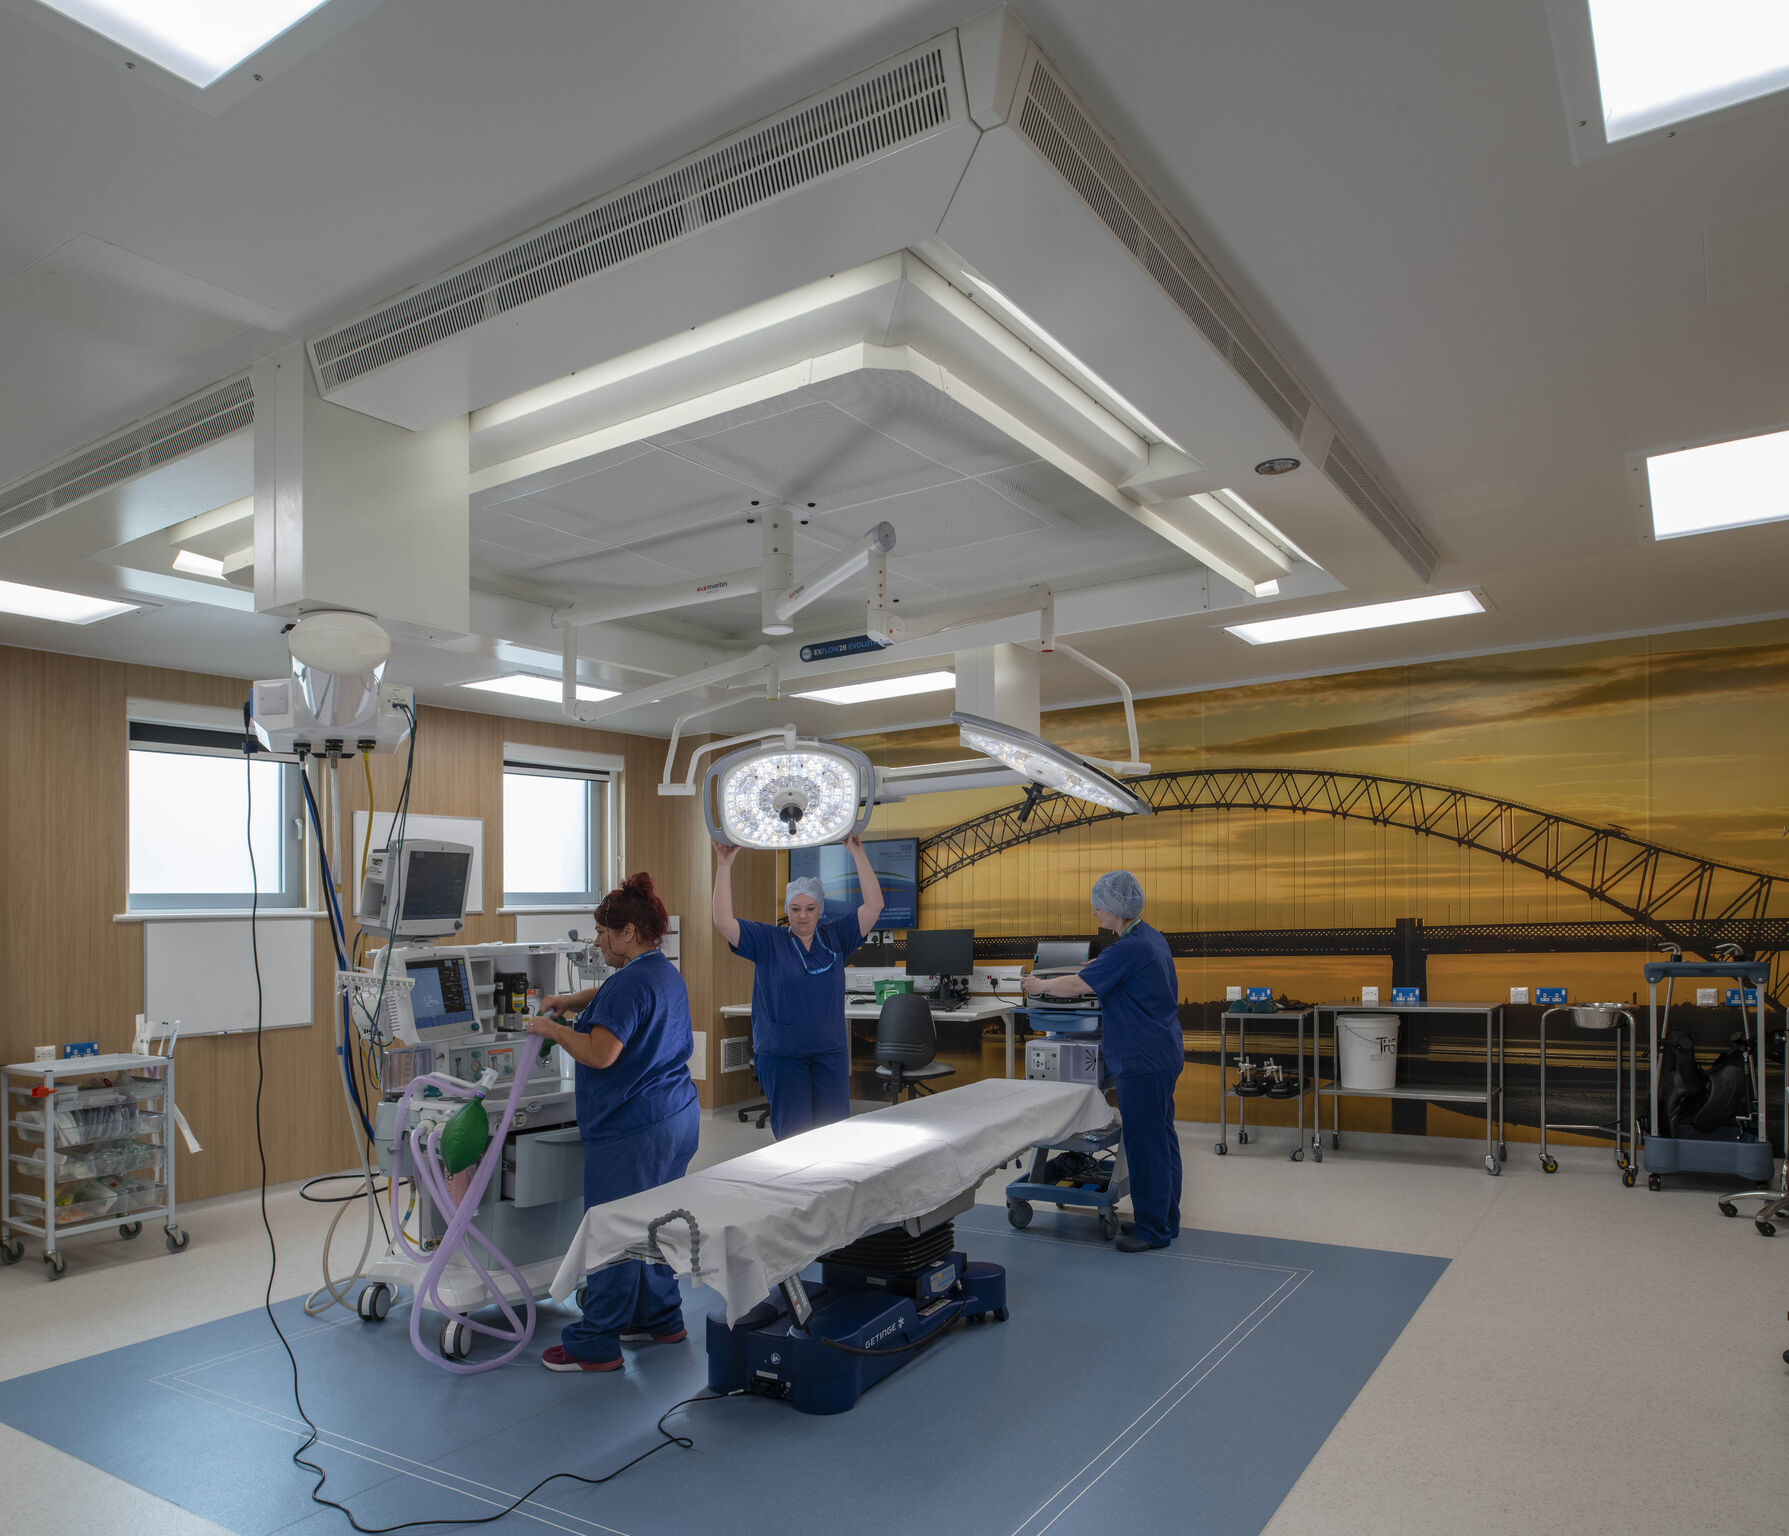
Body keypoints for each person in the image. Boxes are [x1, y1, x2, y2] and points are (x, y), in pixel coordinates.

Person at [526, 871, 699, 1371]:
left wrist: (552, 1029)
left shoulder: (629, 984)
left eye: (604, 932)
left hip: (632, 1130)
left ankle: (595, 1342)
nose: (598, 941)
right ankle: (659, 1317)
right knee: (656, 1226)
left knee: (613, 1233)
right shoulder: (661, 972)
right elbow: (618, 999)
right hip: (675, 1118)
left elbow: (601, 1053)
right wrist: (570, 1002)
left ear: (628, 933)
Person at [1021, 870, 1183, 1253]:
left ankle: (1152, 1231)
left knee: (1146, 1145)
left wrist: (1040, 986)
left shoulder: (1125, 950)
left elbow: (1080, 984)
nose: (1094, 911)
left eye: (1098, 905)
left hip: (1142, 1058)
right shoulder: (1150, 939)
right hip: (1161, 1052)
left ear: (1114, 908)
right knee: (1162, 1139)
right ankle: (1165, 1220)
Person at [712, 834, 883, 1139]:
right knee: (794, 1137)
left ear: (820, 909)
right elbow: (725, 922)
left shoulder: (835, 938)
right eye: (795, 909)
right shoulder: (768, 941)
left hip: (829, 1052)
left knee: (834, 1135)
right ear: (787, 910)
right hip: (782, 1055)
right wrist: (724, 866)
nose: (802, 916)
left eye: (810, 908)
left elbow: (874, 906)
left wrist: (857, 853)